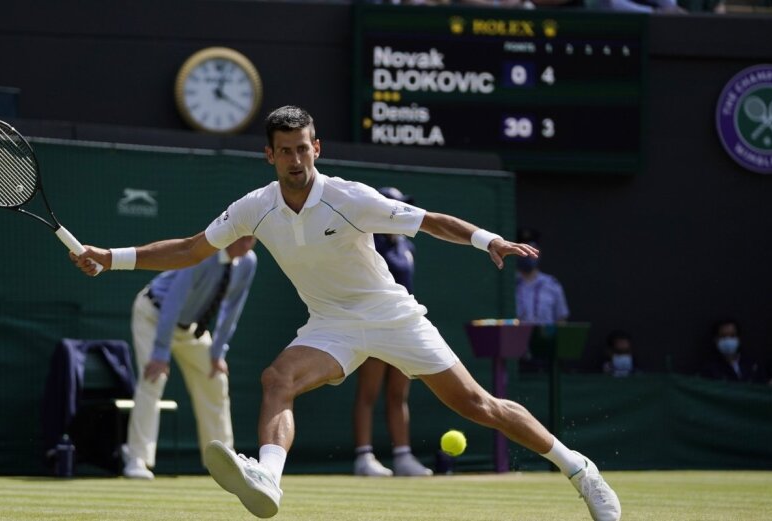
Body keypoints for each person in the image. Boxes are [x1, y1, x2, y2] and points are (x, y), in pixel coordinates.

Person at [70, 106, 620, 521]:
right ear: (269, 155)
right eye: (284, 150)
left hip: (391, 315)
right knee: (276, 378)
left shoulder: (350, 197)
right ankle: (269, 479)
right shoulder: (254, 208)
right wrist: (109, 258)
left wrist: (488, 239)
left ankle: (580, 470)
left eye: (303, 149)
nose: (295, 159)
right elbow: (191, 249)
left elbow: (428, 220)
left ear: (317, 148)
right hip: (329, 324)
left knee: (478, 405)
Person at [123, 235, 258, 480]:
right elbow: (173, 300)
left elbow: (232, 308)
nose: (248, 245)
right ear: (230, 235)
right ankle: (137, 458)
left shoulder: (248, 262)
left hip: (191, 328)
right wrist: (161, 352)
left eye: (253, 240)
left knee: (216, 381)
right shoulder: (203, 254)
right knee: (153, 380)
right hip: (153, 315)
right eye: (244, 239)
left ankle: (224, 461)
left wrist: (218, 352)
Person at [351, 186, 432, 478]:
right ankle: (364, 457)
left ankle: (402, 456)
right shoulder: (369, 243)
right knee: (368, 392)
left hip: (402, 326)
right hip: (374, 324)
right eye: (395, 208)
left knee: (398, 394)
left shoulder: (407, 246)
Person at [515, 230, 569, 324]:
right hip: (515, 338)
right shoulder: (508, 286)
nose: (527, 254)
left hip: (545, 338)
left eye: (531, 249)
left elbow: (561, 322)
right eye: (522, 250)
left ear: (538, 252)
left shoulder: (552, 285)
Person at [700, 318, 765, 383]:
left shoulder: (752, 365)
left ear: (738, 339)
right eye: (723, 336)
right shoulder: (710, 369)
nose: (728, 340)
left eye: (732, 336)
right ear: (716, 340)